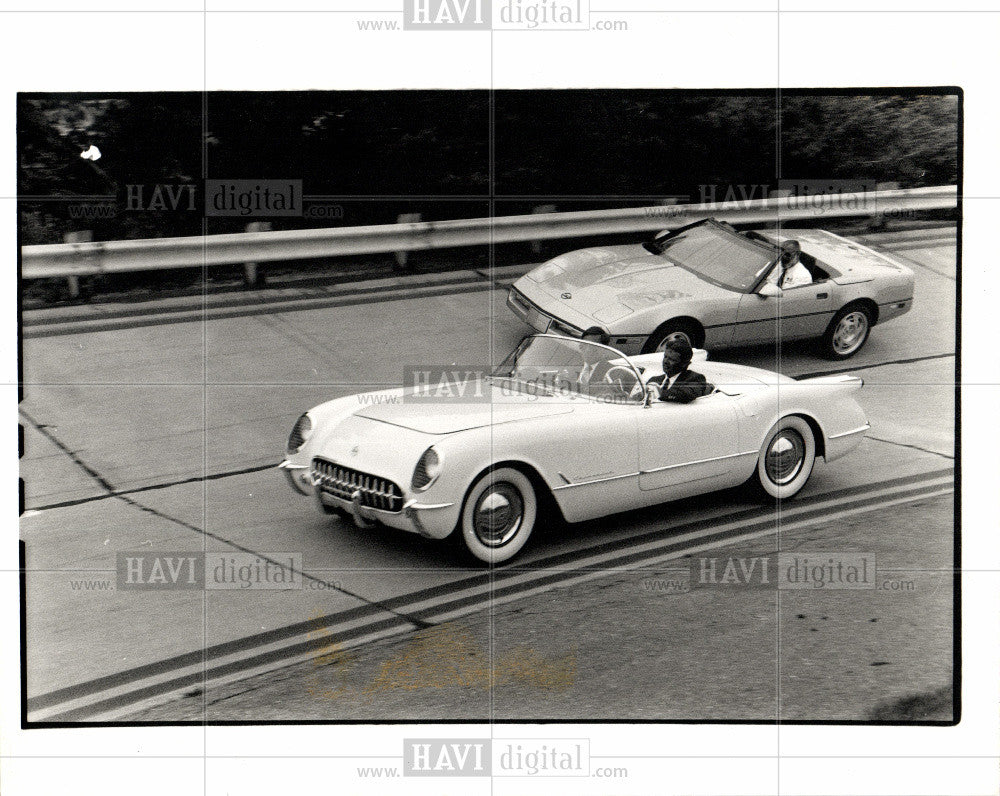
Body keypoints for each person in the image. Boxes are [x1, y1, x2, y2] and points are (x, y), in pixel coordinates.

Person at [647, 335, 714, 404]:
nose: (665, 361)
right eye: (665, 357)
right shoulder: (654, 380)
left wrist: (659, 393)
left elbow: (686, 395)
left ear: (684, 364)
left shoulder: (695, 379)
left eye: (672, 359)